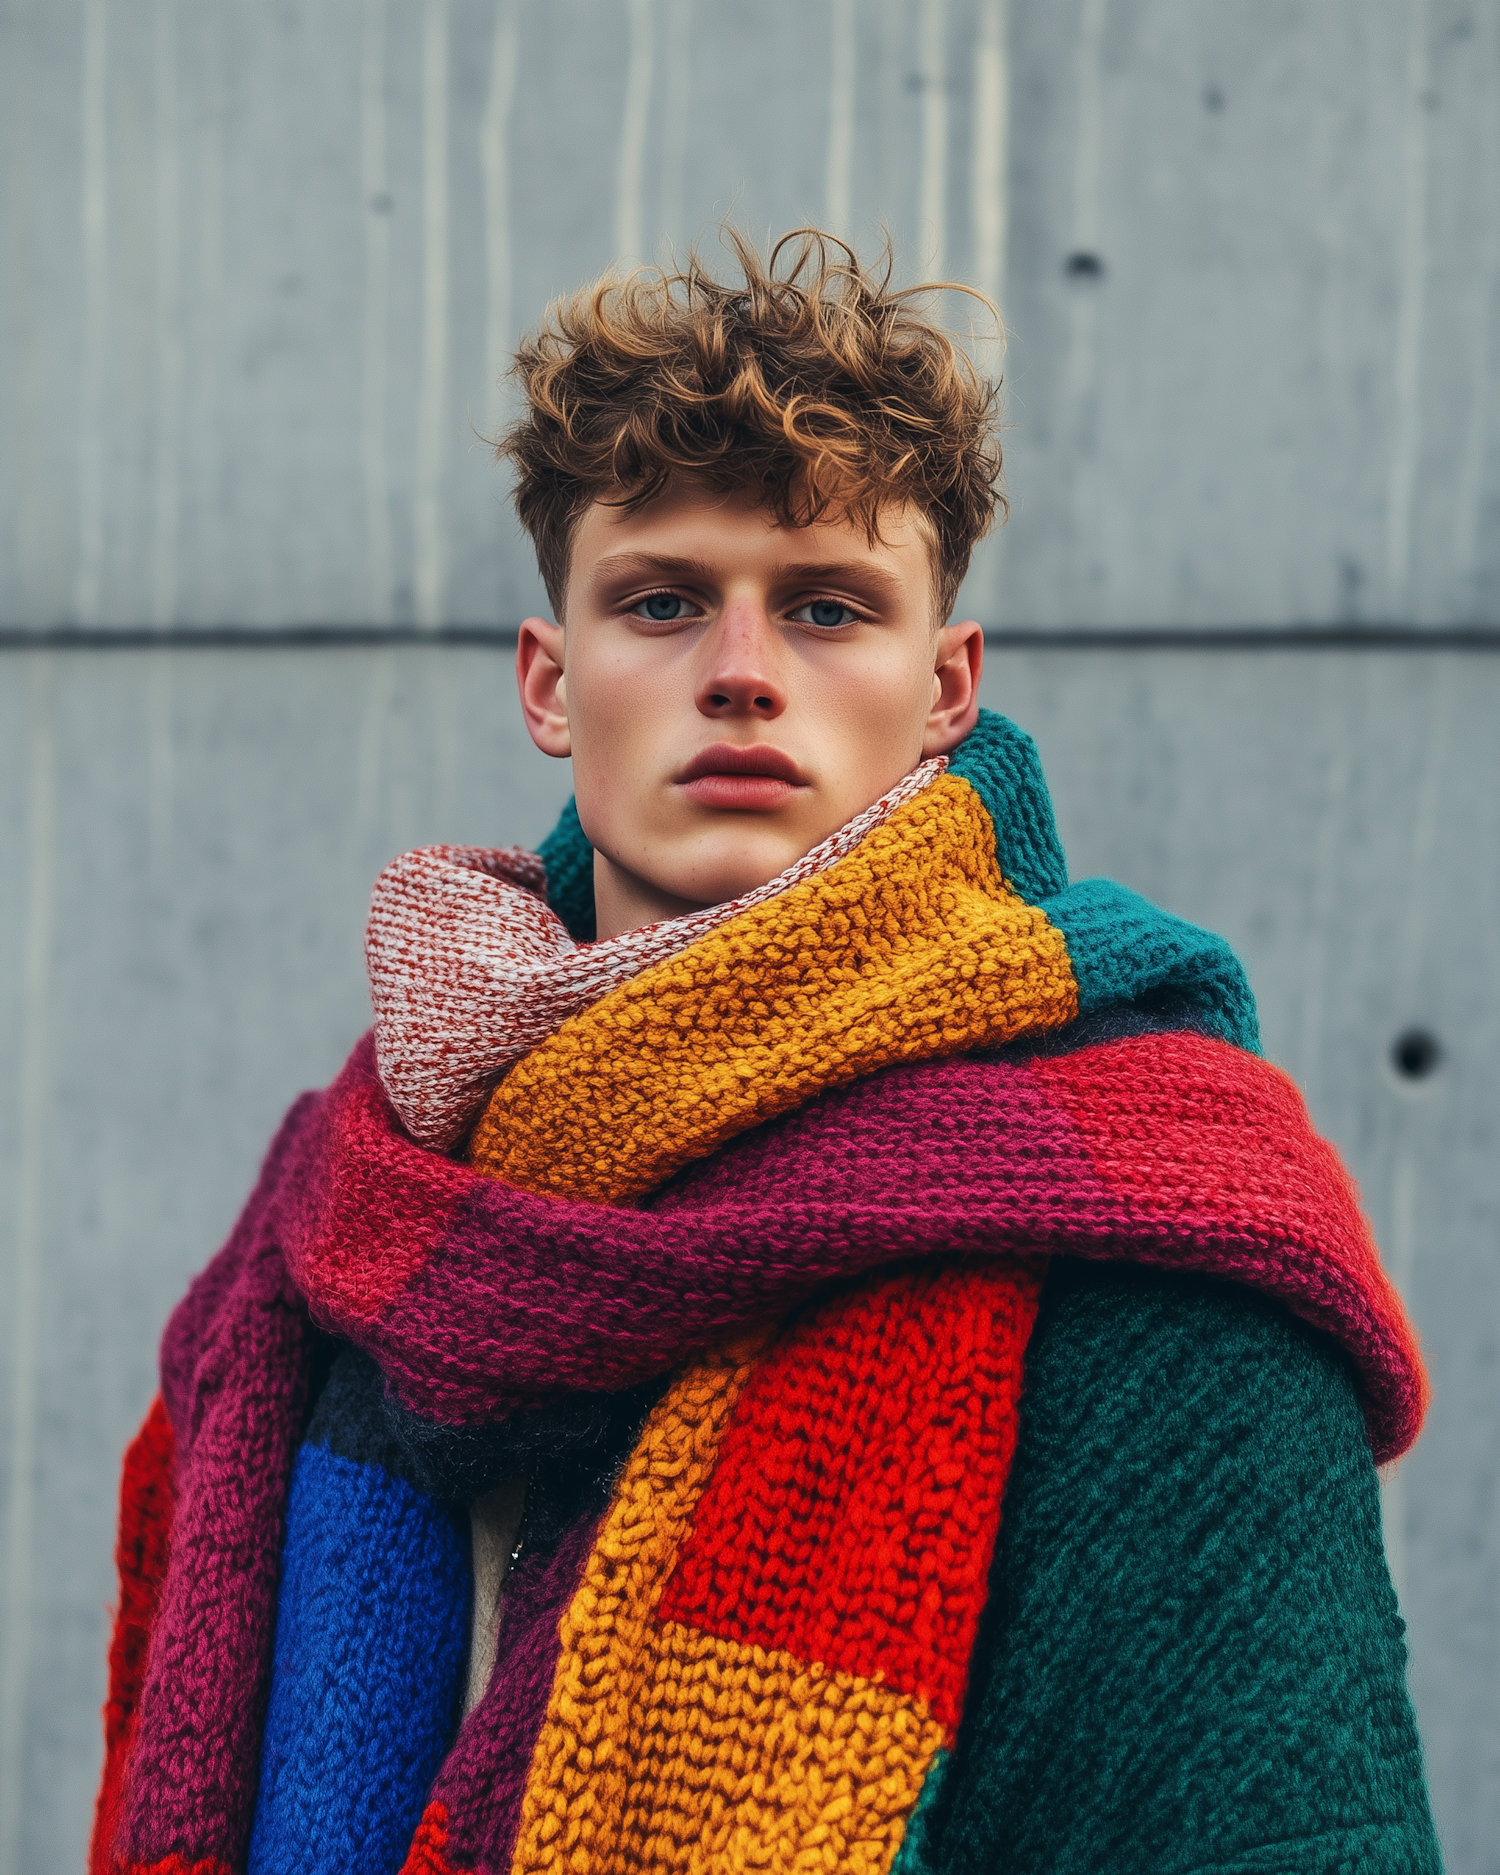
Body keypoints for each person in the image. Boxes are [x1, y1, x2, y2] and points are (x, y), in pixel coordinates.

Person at [92, 231, 1441, 1875]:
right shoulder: (335, 1227)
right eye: (660, 603)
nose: (741, 673)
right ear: (550, 679)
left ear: (944, 686)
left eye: (825, 606)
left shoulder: (1152, 1244)